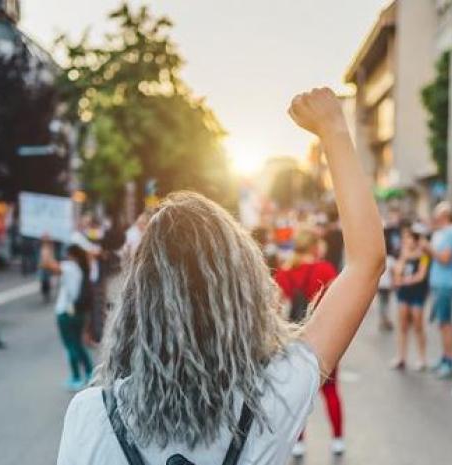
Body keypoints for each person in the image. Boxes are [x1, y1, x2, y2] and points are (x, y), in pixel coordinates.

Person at [56, 87, 385, 465]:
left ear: (138, 301)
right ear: (243, 291)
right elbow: (367, 262)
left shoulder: (91, 414)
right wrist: (333, 130)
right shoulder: (273, 394)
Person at [274, 229, 342, 456]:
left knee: (298, 393)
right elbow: (337, 305)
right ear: (314, 246)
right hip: (325, 337)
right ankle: (337, 439)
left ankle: (299, 442)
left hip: (295, 340)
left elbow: (275, 309)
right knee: (331, 390)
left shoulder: (284, 273)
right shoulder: (325, 269)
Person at [42, 244, 95, 391]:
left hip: (66, 312)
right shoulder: (82, 269)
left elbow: (47, 264)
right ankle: (90, 373)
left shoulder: (70, 267)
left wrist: (46, 245)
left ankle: (76, 377)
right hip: (79, 312)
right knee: (78, 344)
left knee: (71, 345)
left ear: (73, 256)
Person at [424, 201, 452, 379]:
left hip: (445, 284)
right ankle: (445, 358)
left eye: (437, 215)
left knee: (446, 324)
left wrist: (429, 249)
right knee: (442, 324)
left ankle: (449, 362)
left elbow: (446, 258)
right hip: (440, 283)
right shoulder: (442, 234)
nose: (434, 218)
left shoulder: (450, 234)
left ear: (445, 216)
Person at [393, 224, 430, 370]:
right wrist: (404, 257)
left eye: (409, 238)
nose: (406, 241)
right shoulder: (403, 254)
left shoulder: (424, 256)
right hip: (404, 293)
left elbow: (421, 275)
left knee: (418, 325)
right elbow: (397, 271)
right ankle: (401, 357)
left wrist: (405, 280)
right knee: (402, 325)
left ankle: (422, 358)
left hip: (417, 292)